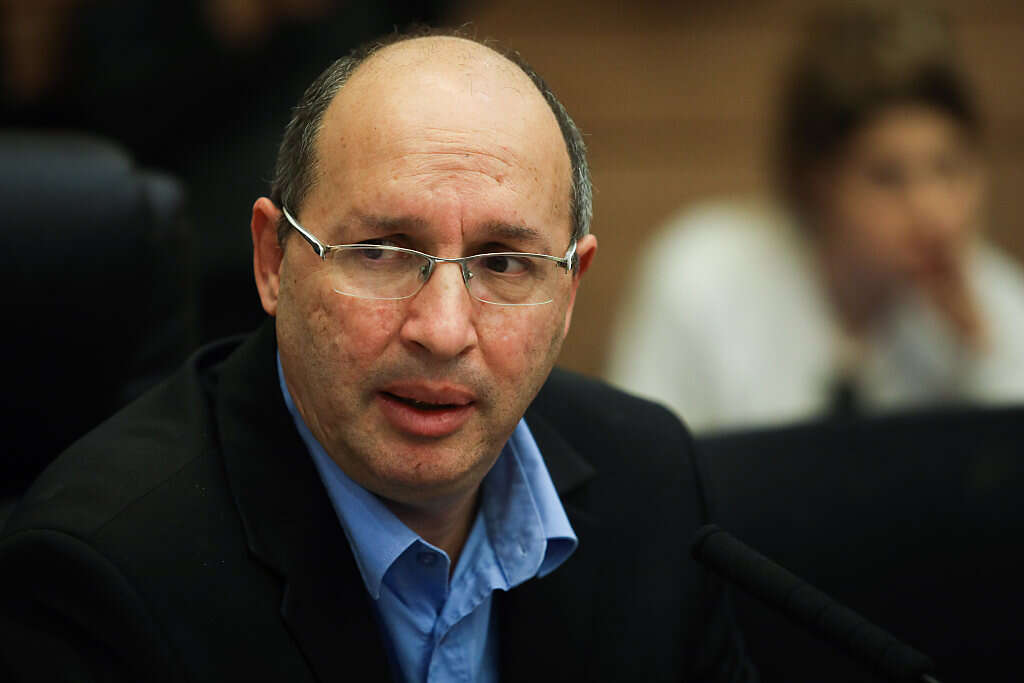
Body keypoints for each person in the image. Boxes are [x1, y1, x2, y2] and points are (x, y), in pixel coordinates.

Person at [0, 31, 757, 682]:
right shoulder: (99, 578)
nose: (444, 330)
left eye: (502, 262)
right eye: (382, 252)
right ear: (273, 260)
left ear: (568, 291)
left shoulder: (652, 481)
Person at [607, 4, 1024, 433]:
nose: (930, 210)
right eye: (887, 177)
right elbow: (642, 455)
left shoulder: (996, 302)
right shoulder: (701, 278)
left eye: (950, 169)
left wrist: (979, 353)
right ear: (817, 181)